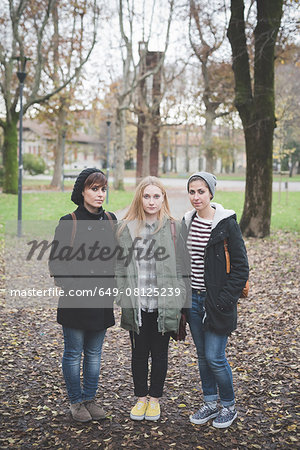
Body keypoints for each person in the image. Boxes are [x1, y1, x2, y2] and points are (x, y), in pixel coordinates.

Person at [115, 176, 187, 421]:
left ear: (163, 198)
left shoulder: (174, 227)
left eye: (157, 196)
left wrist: (178, 300)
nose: (152, 201)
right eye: (147, 196)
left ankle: (155, 400)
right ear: (140, 198)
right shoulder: (126, 228)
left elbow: (182, 266)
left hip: (163, 304)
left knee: (160, 353)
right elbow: (118, 266)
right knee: (138, 353)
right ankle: (140, 399)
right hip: (136, 304)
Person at [49, 168, 117, 423]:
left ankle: (90, 398)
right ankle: (76, 402)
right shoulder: (69, 222)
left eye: (103, 189)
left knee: (95, 354)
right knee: (73, 352)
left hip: (102, 300)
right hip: (76, 301)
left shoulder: (111, 220)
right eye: (94, 189)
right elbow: (56, 263)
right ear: (82, 191)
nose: (100, 194)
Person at [181, 172, 249, 429]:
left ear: (211, 193)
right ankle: (210, 403)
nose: (196, 196)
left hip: (217, 302)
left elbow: (241, 268)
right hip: (193, 301)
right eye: (192, 191)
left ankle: (228, 406)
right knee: (202, 356)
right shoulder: (187, 222)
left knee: (215, 357)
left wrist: (223, 302)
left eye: (201, 191)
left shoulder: (226, 223)